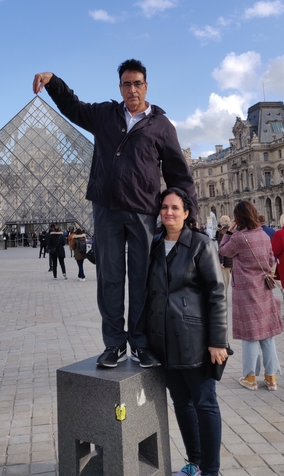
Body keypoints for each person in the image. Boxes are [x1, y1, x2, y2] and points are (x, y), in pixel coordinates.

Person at [33, 59, 197, 368]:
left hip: (142, 209)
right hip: (106, 207)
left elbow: (179, 173)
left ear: (146, 86)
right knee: (109, 277)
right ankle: (114, 344)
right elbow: (73, 107)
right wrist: (53, 81)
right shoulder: (105, 114)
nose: (131, 89)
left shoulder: (162, 126)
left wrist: (192, 213)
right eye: (126, 84)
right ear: (119, 87)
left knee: (142, 279)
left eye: (137, 83)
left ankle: (140, 342)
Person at [146, 188, 228, 476]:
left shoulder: (201, 244)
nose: (168, 212)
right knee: (181, 402)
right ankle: (195, 460)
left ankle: (211, 470)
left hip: (195, 339)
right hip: (163, 341)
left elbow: (216, 293)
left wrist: (218, 341)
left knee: (205, 404)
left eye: (175, 208)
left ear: (186, 212)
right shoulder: (153, 244)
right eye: (164, 207)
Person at [219, 200, 283, 391]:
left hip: (246, 291)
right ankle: (271, 378)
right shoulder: (263, 235)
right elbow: (271, 259)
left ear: (238, 218)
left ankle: (249, 376)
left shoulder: (239, 237)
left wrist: (229, 231)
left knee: (250, 335)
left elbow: (223, 250)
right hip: (264, 288)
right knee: (267, 334)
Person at [215, 215, 232, 292]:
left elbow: (221, 248)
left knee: (225, 283)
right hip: (235, 260)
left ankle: (224, 301)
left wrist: (221, 261)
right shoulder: (235, 231)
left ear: (222, 223)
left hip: (226, 261)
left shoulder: (221, 233)